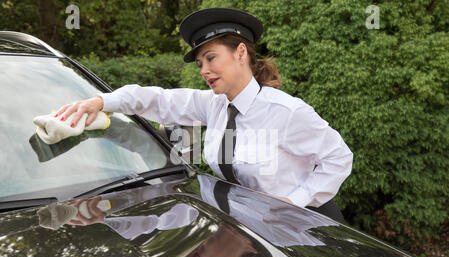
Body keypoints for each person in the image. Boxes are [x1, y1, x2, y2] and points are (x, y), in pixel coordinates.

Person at [54, 8, 353, 221]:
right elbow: (159, 100)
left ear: (240, 53)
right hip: (255, 225)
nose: (204, 71)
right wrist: (100, 101)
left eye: (211, 58)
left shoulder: (286, 112)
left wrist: (295, 202)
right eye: (200, 63)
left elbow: (339, 158)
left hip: (307, 227)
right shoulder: (215, 104)